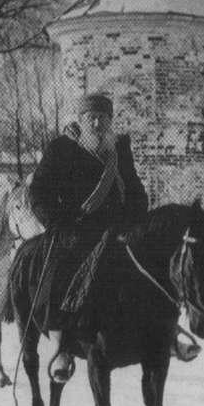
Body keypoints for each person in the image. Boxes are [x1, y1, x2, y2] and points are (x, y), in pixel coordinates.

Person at [29, 93, 148, 381]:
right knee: (60, 276)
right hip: (76, 231)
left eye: (103, 118)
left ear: (110, 122)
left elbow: (135, 191)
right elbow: (39, 192)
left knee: (147, 270)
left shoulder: (119, 151)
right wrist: (56, 222)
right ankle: (61, 345)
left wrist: (137, 221)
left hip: (116, 233)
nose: (96, 123)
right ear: (80, 121)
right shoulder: (62, 149)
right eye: (90, 118)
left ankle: (157, 334)